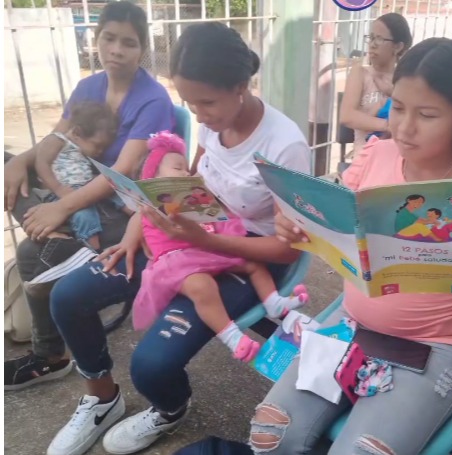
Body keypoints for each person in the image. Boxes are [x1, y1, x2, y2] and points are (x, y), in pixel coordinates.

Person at [250, 37, 452, 455]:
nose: (404, 127)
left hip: (434, 348)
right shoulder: (375, 157)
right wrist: (300, 226)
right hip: (349, 327)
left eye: (427, 115)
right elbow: (338, 230)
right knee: (269, 436)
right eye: (398, 108)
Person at [43, 22, 311, 455]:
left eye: (207, 103)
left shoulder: (284, 146)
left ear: (240, 86)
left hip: (245, 254)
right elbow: (189, 186)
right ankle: (102, 399)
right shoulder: (212, 124)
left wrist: (204, 241)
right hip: (186, 237)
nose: (199, 117)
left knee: (150, 366)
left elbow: (287, 249)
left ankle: (170, 408)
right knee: (68, 296)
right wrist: (138, 228)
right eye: (190, 104)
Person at [4, 0, 174, 394]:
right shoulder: (88, 87)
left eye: (128, 43)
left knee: (31, 253)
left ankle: (50, 355)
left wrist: (61, 206)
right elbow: (58, 140)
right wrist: (20, 163)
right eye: (109, 38)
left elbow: (123, 172)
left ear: (142, 48)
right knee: (6, 163)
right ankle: (64, 240)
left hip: (119, 209)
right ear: (96, 39)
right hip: (77, 189)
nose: (116, 50)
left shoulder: (153, 99)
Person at [134, 131, 309, 362]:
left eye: (186, 168)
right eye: (178, 169)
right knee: (202, 287)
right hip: (179, 262)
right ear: (151, 180)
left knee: (252, 263)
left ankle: (274, 303)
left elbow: (209, 221)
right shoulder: (154, 207)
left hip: (204, 248)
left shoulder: (187, 196)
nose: (186, 173)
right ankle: (232, 337)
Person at [14, 101, 121, 256]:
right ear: (77, 133)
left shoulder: (82, 148)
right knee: (85, 214)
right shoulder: (57, 140)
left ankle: (133, 211)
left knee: (113, 189)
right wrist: (59, 188)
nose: (100, 151)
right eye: (97, 145)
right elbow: (41, 163)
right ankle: (93, 250)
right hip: (63, 190)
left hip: (84, 187)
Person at [340, 12, 412, 156]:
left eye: (379, 39)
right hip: (366, 156)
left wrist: (393, 92)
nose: (372, 44)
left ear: (398, 46)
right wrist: (388, 125)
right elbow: (347, 116)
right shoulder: (360, 73)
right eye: (371, 38)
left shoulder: (406, 77)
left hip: (398, 156)